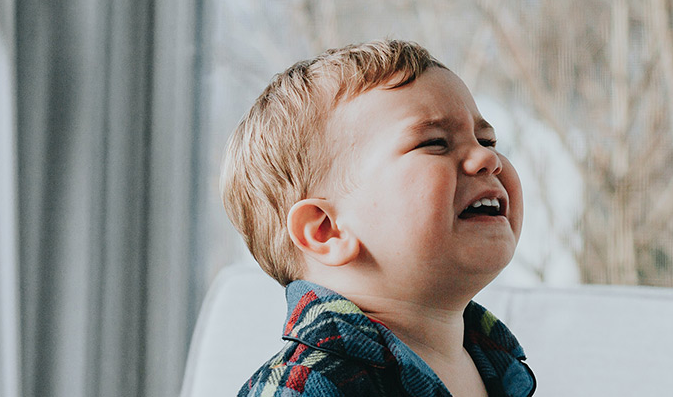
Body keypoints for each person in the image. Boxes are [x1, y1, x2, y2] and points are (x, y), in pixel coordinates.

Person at [220, 40, 536, 397]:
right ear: (327, 230)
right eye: (435, 142)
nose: (486, 159)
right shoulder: (301, 387)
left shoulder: (494, 364)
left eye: (487, 139)